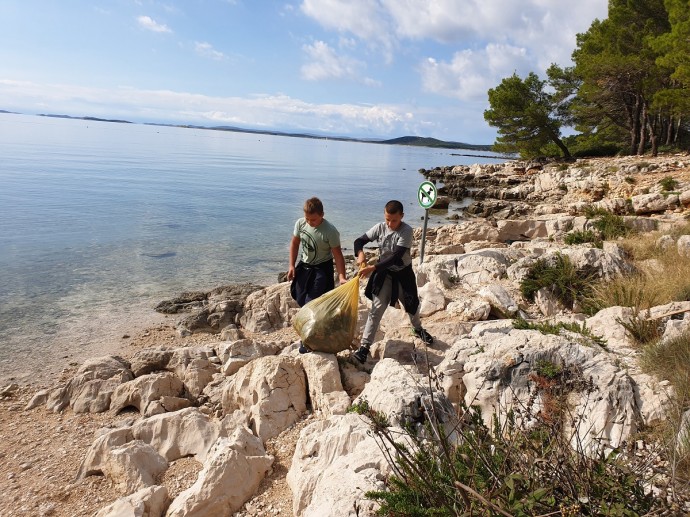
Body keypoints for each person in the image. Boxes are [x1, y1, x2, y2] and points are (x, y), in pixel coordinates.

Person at [352, 199, 433, 363]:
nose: (390, 223)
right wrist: (360, 254)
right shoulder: (380, 227)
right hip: (385, 275)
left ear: (401, 216)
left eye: (394, 220)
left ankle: (417, 329)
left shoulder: (406, 231)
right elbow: (358, 241)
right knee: (376, 310)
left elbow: (396, 258)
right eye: (387, 219)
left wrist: (372, 268)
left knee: (412, 305)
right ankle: (364, 348)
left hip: (403, 273)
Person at [287, 197, 347, 353]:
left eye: (313, 220)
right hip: (304, 266)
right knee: (299, 297)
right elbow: (294, 244)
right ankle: (317, 327)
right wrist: (291, 265)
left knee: (311, 303)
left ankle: (306, 340)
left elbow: (338, 256)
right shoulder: (300, 224)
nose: (309, 222)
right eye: (307, 219)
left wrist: (341, 277)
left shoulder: (330, 231)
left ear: (322, 215)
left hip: (321, 269)